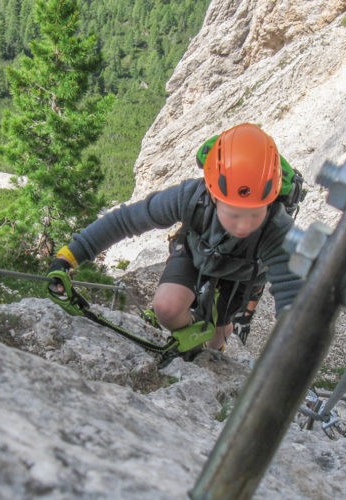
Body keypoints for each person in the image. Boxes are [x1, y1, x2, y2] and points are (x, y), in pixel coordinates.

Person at [48, 123, 304, 354]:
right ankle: (193, 342)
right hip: (197, 249)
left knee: (219, 336)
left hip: (242, 273)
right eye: (234, 213)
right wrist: (69, 257)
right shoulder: (193, 198)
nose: (244, 226)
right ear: (213, 196)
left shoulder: (277, 225)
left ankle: (215, 340)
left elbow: (291, 285)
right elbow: (126, 221)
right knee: (167, 310)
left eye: (255, 214)